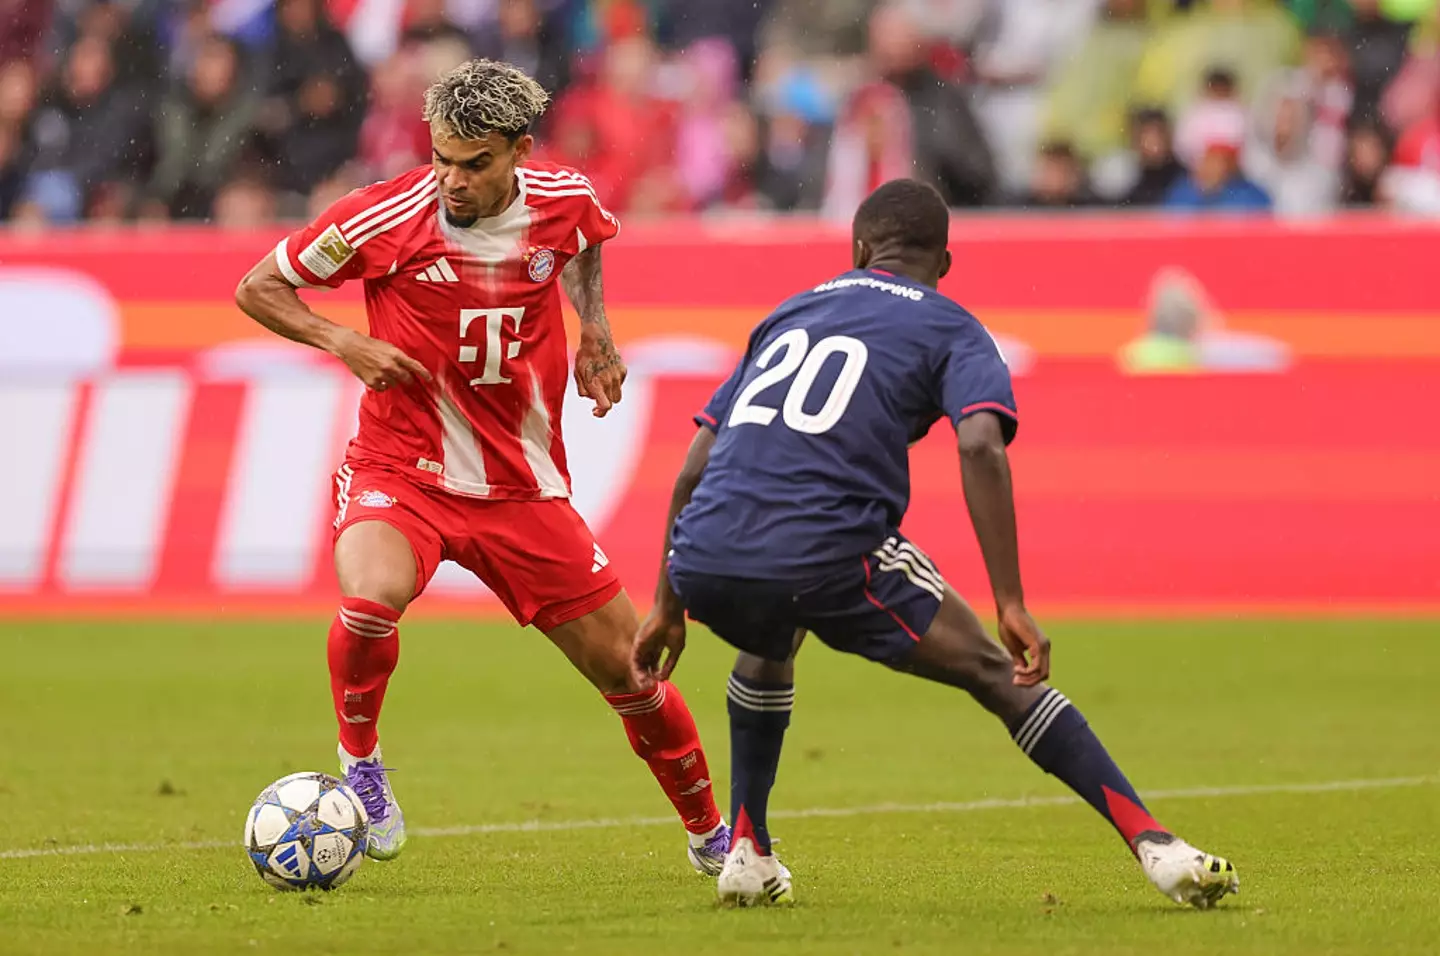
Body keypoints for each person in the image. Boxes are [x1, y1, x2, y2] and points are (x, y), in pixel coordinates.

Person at [634, 179, 1240, 909]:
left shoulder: (790, 311)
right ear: (944, 262)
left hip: (705, 553)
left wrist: (667, 605)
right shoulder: (952, 326)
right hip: (827, 548)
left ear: (858, 249)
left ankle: (749, 850)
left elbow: (695, 464)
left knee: (771, 623)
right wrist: (1010, 600)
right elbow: (981, 445)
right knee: (993, 668)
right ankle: (1156, 845)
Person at [234, 59, 730, 874]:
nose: (452, 182)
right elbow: (260, 287)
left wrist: (595, 330)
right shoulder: (385, 216)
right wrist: (345, 340)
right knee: (368, 599)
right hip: (404, 467)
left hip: (519, 486)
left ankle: (715, 837)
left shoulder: (564, 199)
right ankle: (361, 766)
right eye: (441, 160)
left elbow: (585, 244)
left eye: (474, 164)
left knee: (634, 672)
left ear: (518, 152)